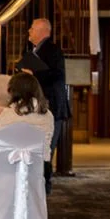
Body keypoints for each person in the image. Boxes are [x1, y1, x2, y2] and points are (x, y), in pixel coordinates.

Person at [18, 18, 70, 191]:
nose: (29, 32)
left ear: (42, 31)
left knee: (47, 147)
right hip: (36, 107)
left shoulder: (53, 50)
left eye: (32, 28)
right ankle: (36, 182)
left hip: (52, 106)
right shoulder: (30, 50)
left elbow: (57, 76)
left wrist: (33, 74)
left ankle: (44, 184)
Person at [0, 73, 55, 172]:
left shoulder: (8, 114)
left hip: (8, 168)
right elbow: (47, 142)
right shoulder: (47, 114)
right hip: (39, 168)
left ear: (13, 92)